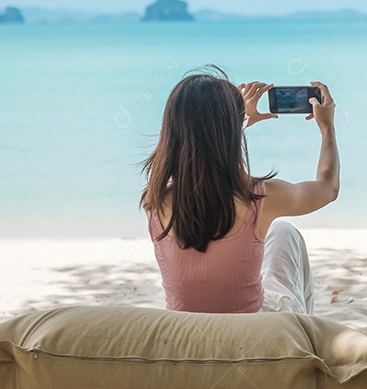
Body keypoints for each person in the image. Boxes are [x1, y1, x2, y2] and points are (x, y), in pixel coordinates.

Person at [141, 67, 338, 314]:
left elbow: (200, 155)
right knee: (284, 231)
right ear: (229, 131)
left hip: (187, 335)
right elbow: (328, 188)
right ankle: (305, 333)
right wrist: (327, 127)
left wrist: (238, 121)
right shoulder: (260, 197)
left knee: (277, 230)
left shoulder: (155, 199)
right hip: (250, 333)